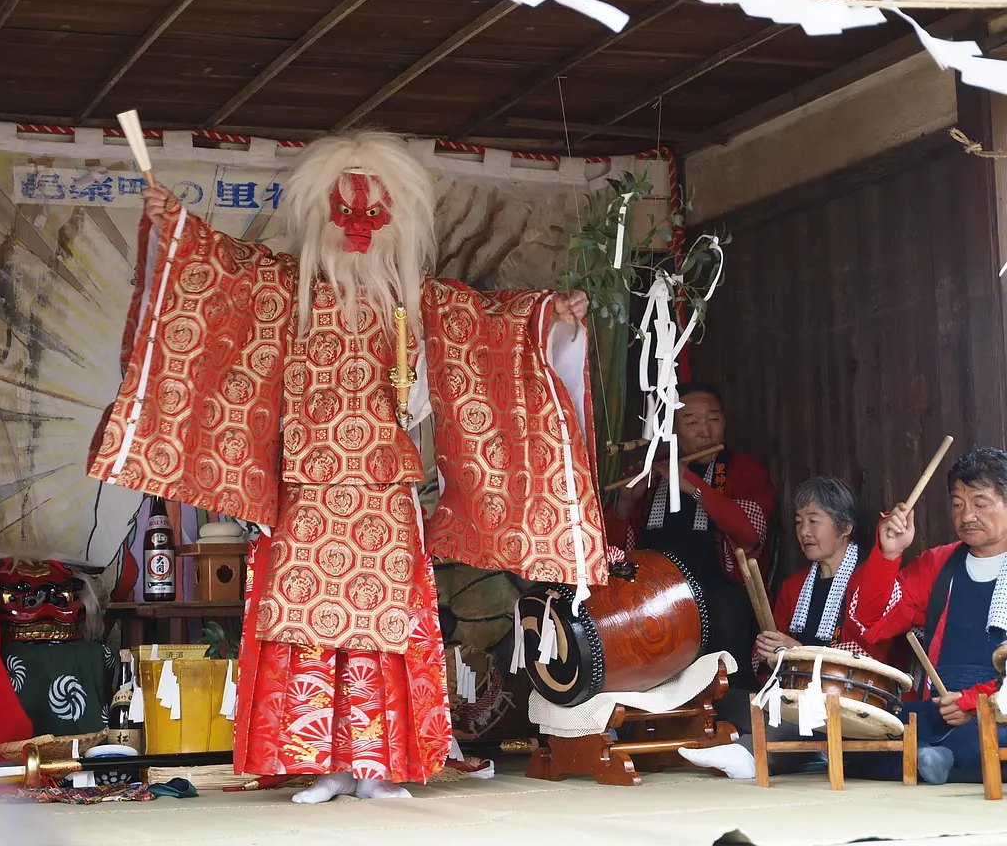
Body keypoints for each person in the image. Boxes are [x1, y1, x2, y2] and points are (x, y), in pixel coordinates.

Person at [89, 132, 608, 803]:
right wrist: (177, 228)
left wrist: (549, 317)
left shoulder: (419, 302)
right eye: (346, 211)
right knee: (309, 633)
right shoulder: (284, 288)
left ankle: (378, 767)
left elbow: (493, 327)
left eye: (373, 212)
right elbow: (219, 274)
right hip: (306, 489)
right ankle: (327, 765)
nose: (359, 226)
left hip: (385, 495)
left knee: (382, 634)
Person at [679, 475, 888, 778]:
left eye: (814, 521)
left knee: (806, 715)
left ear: (845, 528)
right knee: (720, 699)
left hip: (847, 702)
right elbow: (768, 654)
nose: (804, 531)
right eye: (799, 521)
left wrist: (799, 652)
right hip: (788, 696)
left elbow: (870, 658)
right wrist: (769, 652)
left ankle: (749, 753)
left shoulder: (869, 579)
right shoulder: (795, 586)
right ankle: (799, 751)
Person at [606, 382, 774, 703]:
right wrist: (625, 502)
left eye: (713, 419)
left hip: (716, 592)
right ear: (673, 431)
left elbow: (751, 533)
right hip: (655, 601)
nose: (705, 431)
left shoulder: (743, 469)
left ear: (724, 422)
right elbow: (615, 550)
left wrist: (692, 485)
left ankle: (732, 710)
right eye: (692, 421)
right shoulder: (653, 471)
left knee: (728, 607)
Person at [848, 446, 1007, 784]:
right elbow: (874, 619)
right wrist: (888, 555)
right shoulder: (938, 564)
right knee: (858, 728)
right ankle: (940, 760)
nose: (966, 516)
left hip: (997, 706)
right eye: (957, 504)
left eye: (980, 503)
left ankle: (934, 759)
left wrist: (975, 701)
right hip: (941, 708)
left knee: (993, 728)